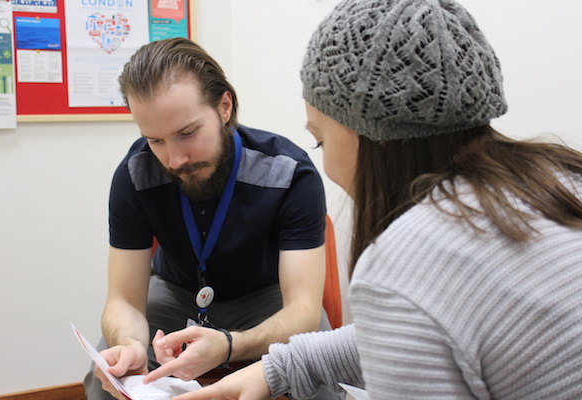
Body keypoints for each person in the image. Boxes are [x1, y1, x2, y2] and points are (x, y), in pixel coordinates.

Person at [172, 0, 582, 399]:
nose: (324, 161)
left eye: (320, 140)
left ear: (367, 135)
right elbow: (422, 331)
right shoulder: (562, 181)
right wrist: (277, 368)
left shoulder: (401, 266)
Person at [83, 37, 339, 400]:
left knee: (320, 374)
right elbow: (123, 300)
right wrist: (130, 344)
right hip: (175, 294)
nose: (174, 160)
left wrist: (231, 345)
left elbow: (303, 309)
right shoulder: (136, 174)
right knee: (108, 376)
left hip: (266, 299)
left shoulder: (289, 172)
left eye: (187, 133)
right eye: (155, 140)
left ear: (224, 106)